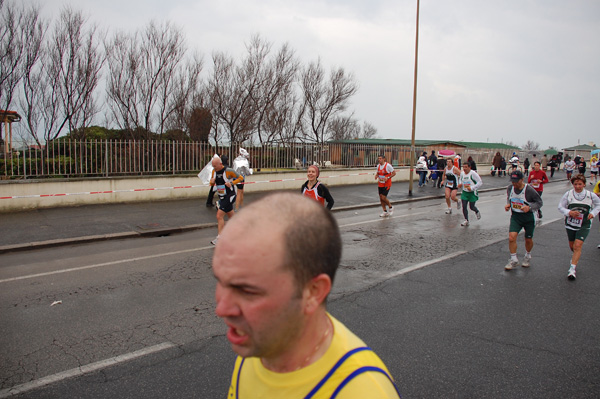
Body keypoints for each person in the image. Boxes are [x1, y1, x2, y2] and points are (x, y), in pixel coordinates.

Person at [213, 193, 401, 398]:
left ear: (313, 292)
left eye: (247, 291)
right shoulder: (257, 343)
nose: (221, 309)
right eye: (221, 281)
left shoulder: (362, 391)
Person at [557, 174, 600, 280]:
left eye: (580, 184)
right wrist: (569, 212)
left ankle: (572, 270)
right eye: (575, 184)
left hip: (584, 224)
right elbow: (560, 207)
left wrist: (593, 213)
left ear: (584, 184)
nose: (577, 186)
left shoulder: (590, 195)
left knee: (577, 245)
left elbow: (598, 205)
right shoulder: (568, 194)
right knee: (572, 246)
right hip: (571, 224)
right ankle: (574, 258)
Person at [504, 170, 543, 270]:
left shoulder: (529, 190)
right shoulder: (510, 188)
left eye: (516, 181)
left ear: (522, 179)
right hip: (516, 216)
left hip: (528, 217)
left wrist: (529, 207)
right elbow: (509, 198)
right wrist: (508, 204)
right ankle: (514, 259)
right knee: (512, 237)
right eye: (512, 181)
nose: (514, 183)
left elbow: (539, 202)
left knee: (528, 239)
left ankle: (527, 256)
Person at [209, 156, 243, 245]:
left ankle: (219, 238)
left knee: (219, 216)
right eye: (213, 166)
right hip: (222, 196)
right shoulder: (214, 171)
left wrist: (231, 183)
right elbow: (211, 183)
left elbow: (240, 178)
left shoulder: (229, 171)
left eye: (215, 166)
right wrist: (212, 182)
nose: (214, 168)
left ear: (220, 164)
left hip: (230, 195)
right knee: (232, 217)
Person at [458, 161, 482, 226]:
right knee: (464, 206)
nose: (464, 169)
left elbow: (480, 182)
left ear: (469, 167)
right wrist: (460, 184)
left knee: (471, 207)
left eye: (466, 167)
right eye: (463, 167)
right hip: (465, 192)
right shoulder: (462, 173)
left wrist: (472, 188)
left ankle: (477, 211)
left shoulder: (473, 174)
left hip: (472, 193)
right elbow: (460, 179)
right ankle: (466, 220)